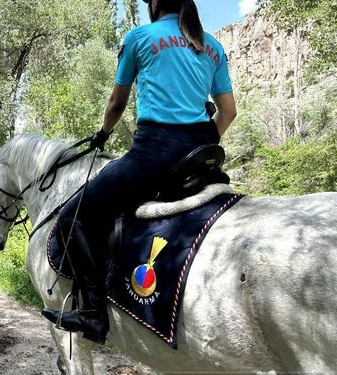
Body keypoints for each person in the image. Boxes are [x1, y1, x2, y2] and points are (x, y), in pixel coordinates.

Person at [41, 0, 237, 345]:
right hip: (198, 157)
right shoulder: (213, 44)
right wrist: (199, 144)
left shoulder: (139, 37)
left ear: (156, 3)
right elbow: (229, 111)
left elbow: (116, 104)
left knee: (74, 217)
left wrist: (103, 133)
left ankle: (92, 312)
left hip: (153, 155)